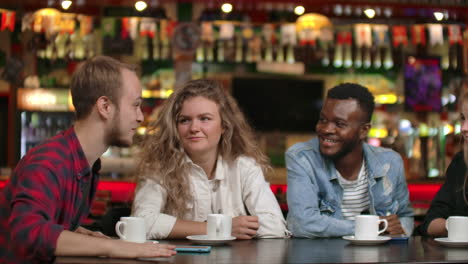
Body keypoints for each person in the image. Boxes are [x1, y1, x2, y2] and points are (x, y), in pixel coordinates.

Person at [0, 56, 176, 263]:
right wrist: (113, 247)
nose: (140, 117)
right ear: (105, 106)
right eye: (135, 105)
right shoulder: (49, 162)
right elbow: (27, 232)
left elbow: (45, 224)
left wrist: (75, 232)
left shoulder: (86, 164)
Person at [133, 79, 288, 239]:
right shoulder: (159, 168)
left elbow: (274, 227)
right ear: (175, 128)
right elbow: (142, 222)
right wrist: (220, 228)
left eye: (204, 119)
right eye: (184, 120)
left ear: (224, 126)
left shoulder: (244, 167)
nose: (194, 128)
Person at [286, 83, 414, 238]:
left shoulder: (390, 162)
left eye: (339, 124)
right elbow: (302, 224)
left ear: (364, 131)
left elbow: (405, 216)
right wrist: (373, 227)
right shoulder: (302, 158)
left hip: (377, 257)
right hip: (320, 258)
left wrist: (400, 232)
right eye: (323, 120)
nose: (326, 129)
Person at [416, 93, 468, 237]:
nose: (464, 128)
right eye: (463, 118)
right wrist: (456, 226)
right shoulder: (460, 164)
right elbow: (429, 223)